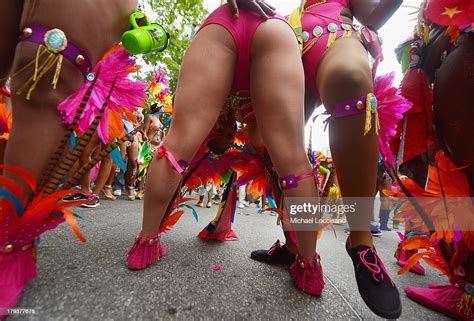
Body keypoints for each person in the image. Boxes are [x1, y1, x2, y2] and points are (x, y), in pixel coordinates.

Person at [127, 3, 326, 298]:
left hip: (225, 24)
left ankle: (146, 244)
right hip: (275, 29)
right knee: (293, 159)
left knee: (176, 144)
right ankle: (309, 267)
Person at [229, 0, 404, 318]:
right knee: (266, 141)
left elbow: (374, 15)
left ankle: (361, 241)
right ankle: (293, 243)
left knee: (350, 79)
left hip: (334, 40)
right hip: (287, 47)